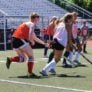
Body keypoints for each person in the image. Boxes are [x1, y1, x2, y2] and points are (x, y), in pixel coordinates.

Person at [6, 12, 48, 78]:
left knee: (23, 58)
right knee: (31, 57)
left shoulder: (27, 24)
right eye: (38, 18)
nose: (38, 20)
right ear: (35, 18)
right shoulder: (32, 24)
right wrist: (31, 41)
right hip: (20, 39)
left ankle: (10, 59)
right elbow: (31, 34)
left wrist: (44, 43)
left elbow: (35, 38)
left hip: (14, 40)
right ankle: (30, 74)